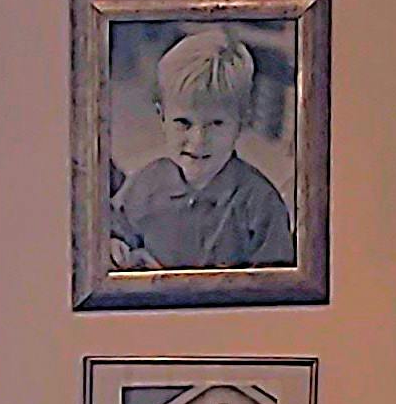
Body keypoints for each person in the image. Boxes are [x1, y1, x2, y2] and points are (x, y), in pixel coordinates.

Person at [109, 27, 299, 273]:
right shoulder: (143, 184)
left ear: (242, 121)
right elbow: (118, 230)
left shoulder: (261, 206)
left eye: (216, 124)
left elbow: (277, 283)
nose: (199, 140)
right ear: (162, 116)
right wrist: (118, 247)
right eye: (183, 123)